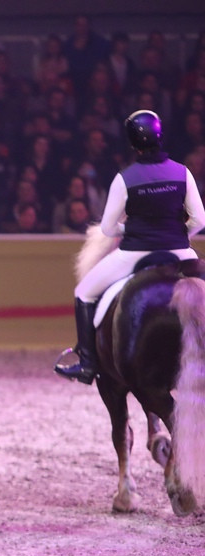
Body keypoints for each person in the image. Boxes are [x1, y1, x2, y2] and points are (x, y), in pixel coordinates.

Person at [54, 110, 205, 384]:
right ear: (160, 136)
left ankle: (87, 365)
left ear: (132, 143)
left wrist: (131, 229)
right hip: (181, 252)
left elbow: (108, 228)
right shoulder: (182, 172)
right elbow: (199, 220)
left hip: (135, 252)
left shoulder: (125, 178)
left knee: (84, 293)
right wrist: (178, 233)